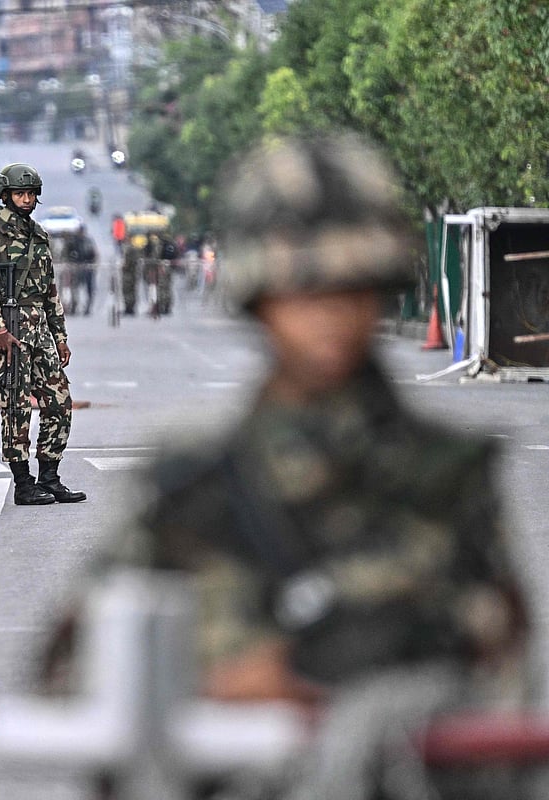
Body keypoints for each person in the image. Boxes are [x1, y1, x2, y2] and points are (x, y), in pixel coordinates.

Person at [48, 133, 528, 799]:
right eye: (304, 289)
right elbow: (77, 679)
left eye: (352, 286)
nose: (330, 313)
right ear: (259, 296)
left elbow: (509, 684)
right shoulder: (194, 481)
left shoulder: (445, 476)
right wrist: (212, 688)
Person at [0, 163, 86, 506]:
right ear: (5, 195)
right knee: (16, 406)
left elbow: (50, 291)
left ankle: (50, 476)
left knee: (60, 402)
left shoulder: (39, 235)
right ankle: (23, 484)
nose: (26, 199)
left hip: (39, 329)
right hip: (11, 329)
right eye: (20, 193)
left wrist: (61, 336)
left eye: (31, 193)